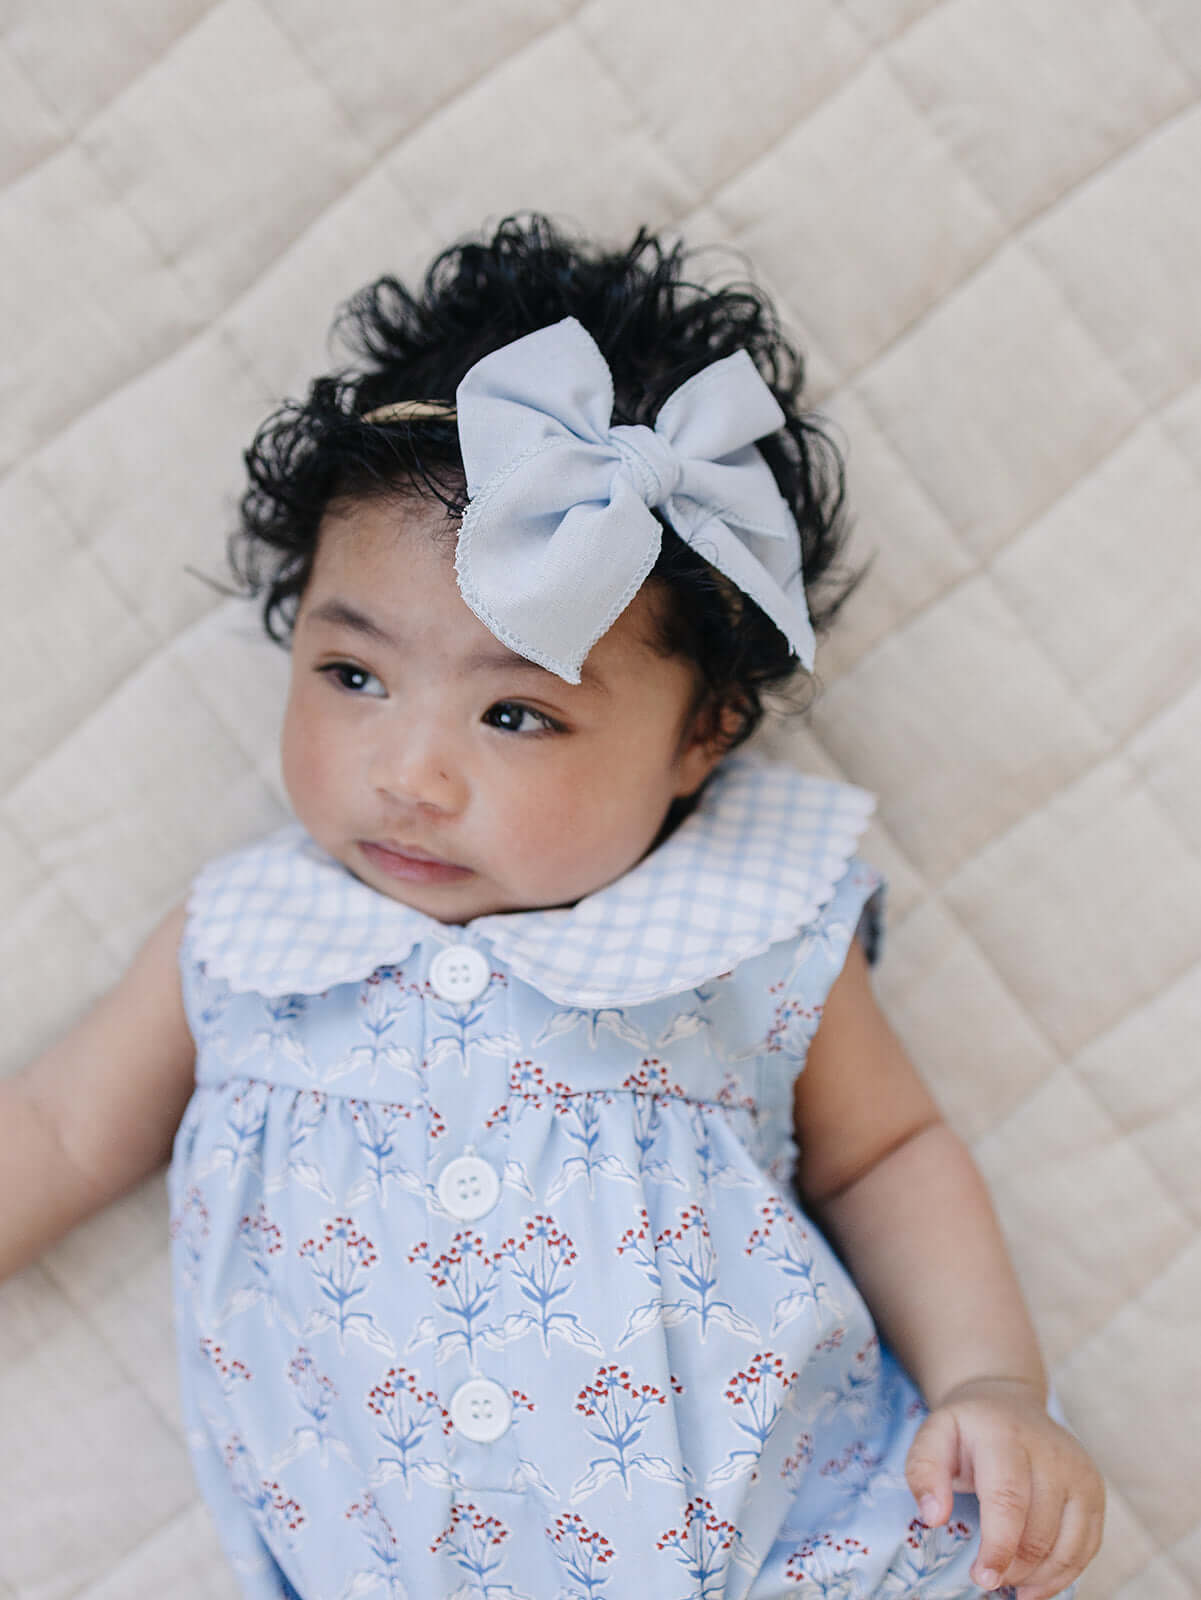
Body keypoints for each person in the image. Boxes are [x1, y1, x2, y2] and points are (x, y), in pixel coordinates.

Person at [1, 214, 1103, 1599]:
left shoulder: (745, 924)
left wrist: (992, 1381)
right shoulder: (248, 937)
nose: (409, 776)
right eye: (353, 677)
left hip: (796, 1550)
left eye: (515, 713)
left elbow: (886, 1157)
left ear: (701, 735)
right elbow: (58, 1128)